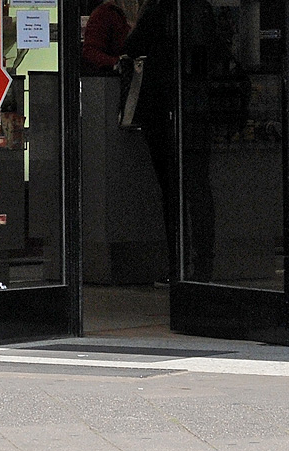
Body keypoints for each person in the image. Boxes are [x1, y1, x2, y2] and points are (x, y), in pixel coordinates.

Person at [123, 1, 224, 283]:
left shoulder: (159, 10)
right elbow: (214, 51)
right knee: (199, 188)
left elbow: (132, 46)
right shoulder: (200, 9)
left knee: (172, 193)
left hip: (163, 109)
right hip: (196, 108)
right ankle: (204, 265)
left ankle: (178, 266)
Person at [82, 0, 147, 76]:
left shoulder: (147, 11)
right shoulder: (105, 13)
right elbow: (90, 52)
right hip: (116, 79)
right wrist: (117, 62)